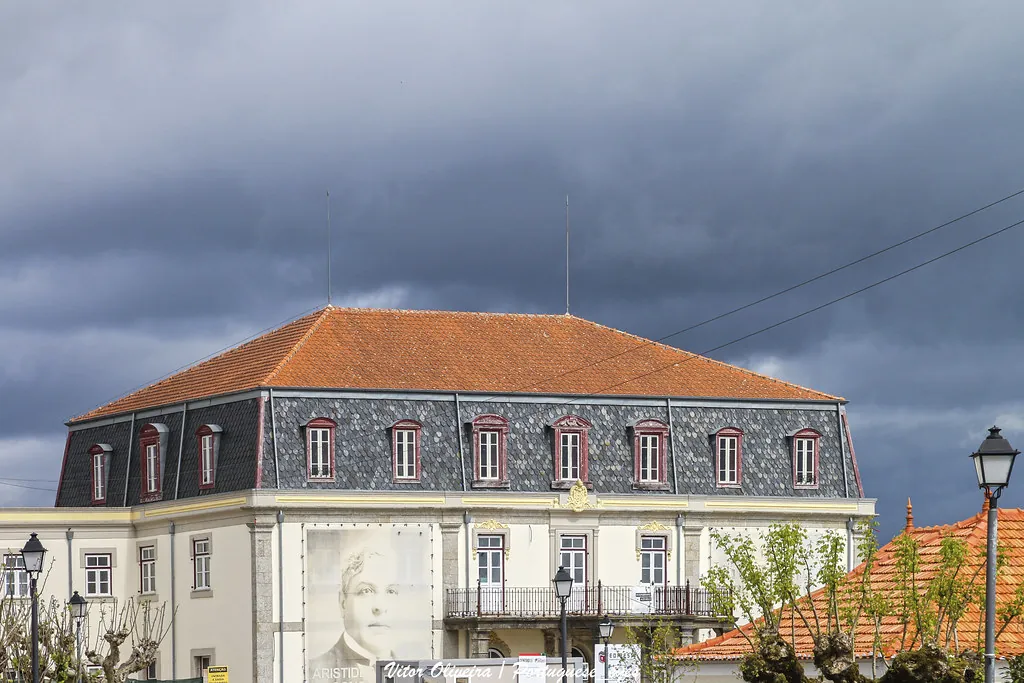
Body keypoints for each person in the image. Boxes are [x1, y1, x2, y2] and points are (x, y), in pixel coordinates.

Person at [310, 545, 403, 682]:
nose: (380, 607)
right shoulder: (312, 672)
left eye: (391, 591)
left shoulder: (413, 671)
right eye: (366, 591)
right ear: (343, 603)